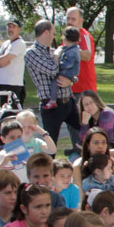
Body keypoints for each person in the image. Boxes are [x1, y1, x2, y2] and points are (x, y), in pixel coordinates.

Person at [25, 21, 78, 151]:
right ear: (46, 32)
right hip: (51, 106)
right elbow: (52, 69)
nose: (54, 37)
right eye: (53, 33)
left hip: (68, 102)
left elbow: (73, 73)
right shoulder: (32, 53)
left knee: (82, 135)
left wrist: (70, 81)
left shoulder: (55, 51)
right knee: (51, 146)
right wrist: (56, 56)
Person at [0, 19, 28, 107]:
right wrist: (0, 62)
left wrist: (0, 61)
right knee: (4, 111)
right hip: (3, 82)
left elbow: (3, 60)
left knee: (13, 113)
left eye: (14, 27)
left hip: (13, 84)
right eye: (9, 26)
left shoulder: (19, 43)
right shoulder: (6, 44)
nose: (11, 29)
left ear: (19, 29)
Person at [64, 6, 97, 95]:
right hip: (69, 88)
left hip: (84, 90)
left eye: (73, 19)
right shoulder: (66, 37)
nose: (69, 22)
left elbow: (87, 56)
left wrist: (71, 48)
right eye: (68, 18)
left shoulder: (84, 36)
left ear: (81, 21)